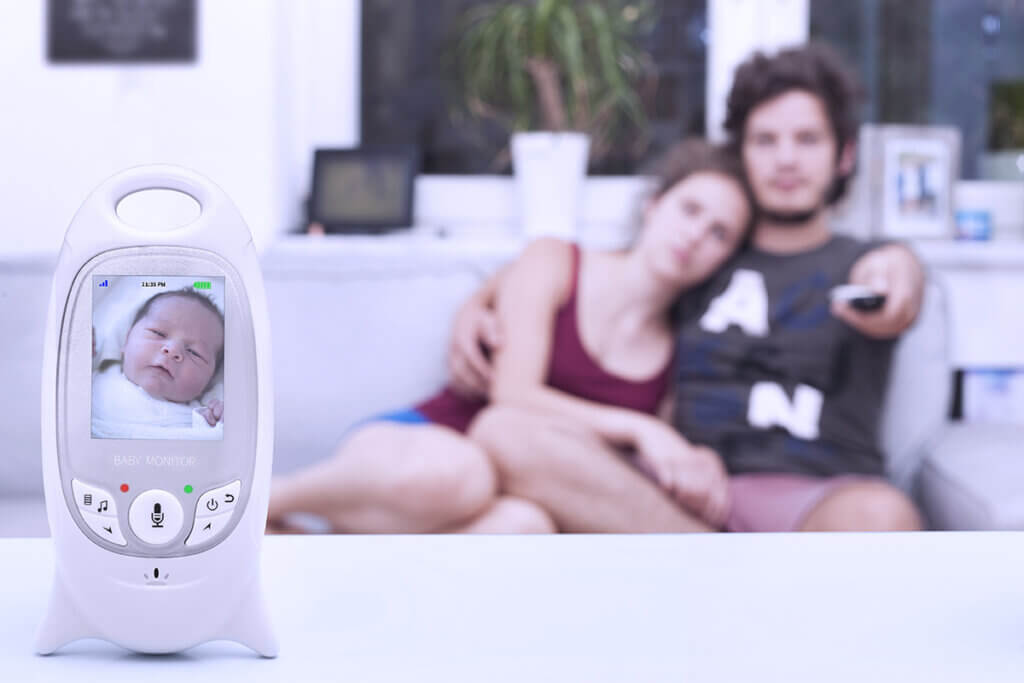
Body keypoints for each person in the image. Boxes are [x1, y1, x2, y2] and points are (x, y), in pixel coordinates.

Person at [464, 43, 927, 532]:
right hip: (674, 497)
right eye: (765, 140)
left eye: (808, 139)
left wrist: (902, 273)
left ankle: (710, 577)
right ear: (741, 154)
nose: (786, 159)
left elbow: (901, 288)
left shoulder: (868, 262)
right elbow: (595, 273)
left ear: (844, 155)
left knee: (882, 514)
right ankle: (708, 561)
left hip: (816, 501)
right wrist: (480, 302)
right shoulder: (705, 253)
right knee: (505, 433)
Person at [267, 139, 756, 534]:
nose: (695, 235)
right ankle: (262, 504)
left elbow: (629, 473)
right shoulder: (555, 261)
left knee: (524, 527)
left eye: (719, 233)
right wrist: (640, 427)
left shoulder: (675, 353)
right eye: (690, 209)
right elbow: (512, 395)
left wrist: (697, 459)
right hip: (423, 445)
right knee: (462, 475)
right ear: (654, 206)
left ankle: (316, 554)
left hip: (514, 494)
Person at [92, 289, 225, 438]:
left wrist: (222, 418)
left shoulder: (203, 417)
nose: (172, 350)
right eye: (158, 333)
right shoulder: (95, 374)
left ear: (209, 381)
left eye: (195, 353)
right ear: (127, 339)